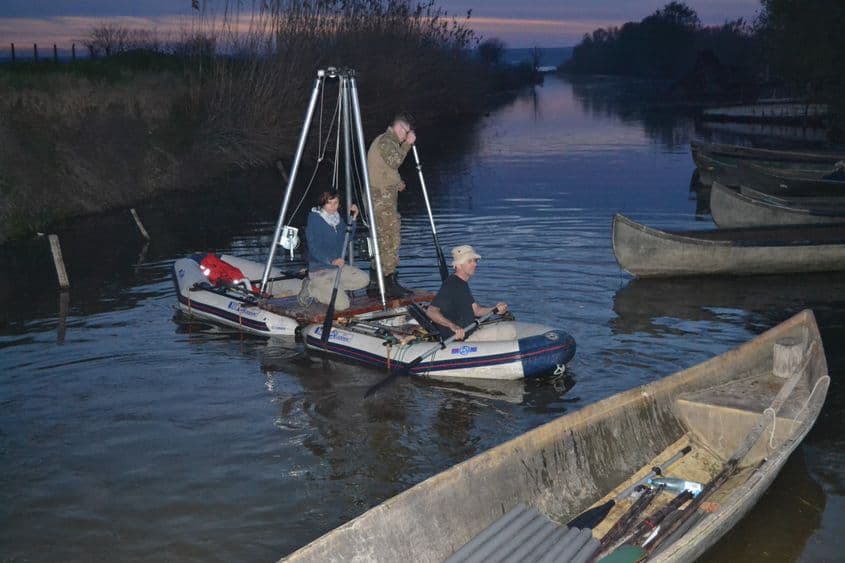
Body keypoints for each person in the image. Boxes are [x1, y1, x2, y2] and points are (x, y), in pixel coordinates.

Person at [366, 112, 416, 298]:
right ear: (400, 128)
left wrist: (397, 182)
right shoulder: (387, 140)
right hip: (381, 199)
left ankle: (375, 283)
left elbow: (385, 168)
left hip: (381, 196)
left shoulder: (387, 141)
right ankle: (389, 282)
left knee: (383, 239)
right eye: (406, 132)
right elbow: (395, 161)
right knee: (390, 238)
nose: (406, 136)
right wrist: (408, 144)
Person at [301, 190, 369, 310]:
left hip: (337, 269)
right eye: (329, 203)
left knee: (364, 279)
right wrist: (331, 261)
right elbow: (313, 249)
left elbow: (348, 238)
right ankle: (312, 289)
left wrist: (353, 218)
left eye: (336, 202)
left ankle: (333, 289)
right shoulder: (315, 220)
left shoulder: (337, 219)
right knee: (343, 305)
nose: (333, 206)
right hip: (320, 270)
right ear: (322, 203)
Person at [426, 245, 508, 341]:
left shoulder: (462, 284)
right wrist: (453, 326)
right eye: (470, 261)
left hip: (472, 331)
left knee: (507, 327)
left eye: (475, 261)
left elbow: (476, 310)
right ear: (459, 265)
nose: (475, 264)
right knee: (508, 331)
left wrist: (495, 309)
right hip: (461, 339)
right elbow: (431, 311)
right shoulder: (451, 285)